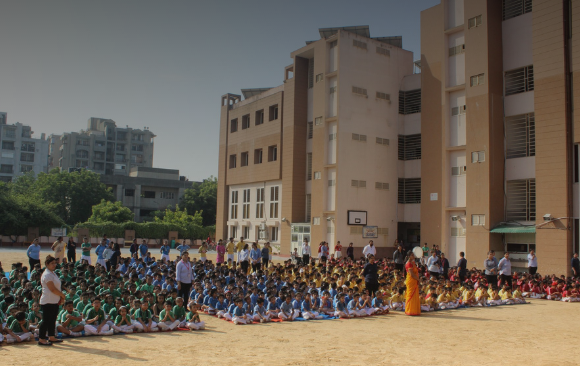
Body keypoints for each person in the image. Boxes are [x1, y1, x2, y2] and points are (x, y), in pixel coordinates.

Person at [38, 255, 66, 346]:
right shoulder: (47, 274)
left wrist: (61, 297)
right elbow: (52, 289)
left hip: (54, 300)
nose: (54, 265)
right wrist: (62, 295)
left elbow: (57, 287)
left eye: (55, 263)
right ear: (47, 264)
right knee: (46, 320)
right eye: (52, 263)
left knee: (52, 319)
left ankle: (51, 336)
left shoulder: (53, 273)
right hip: (48, 300)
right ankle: (41, 338)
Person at [404, 251, 421, 316]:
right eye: (412, 255)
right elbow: (411, 274)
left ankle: (415, 310)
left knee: (415, 295)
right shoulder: (408, 264)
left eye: (413, 255)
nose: (413, 256)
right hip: (411, 281)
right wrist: (418, 279)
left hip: (415, 281)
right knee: (411, 294)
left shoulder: (413, 263)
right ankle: (410, 310)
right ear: (408, 256)